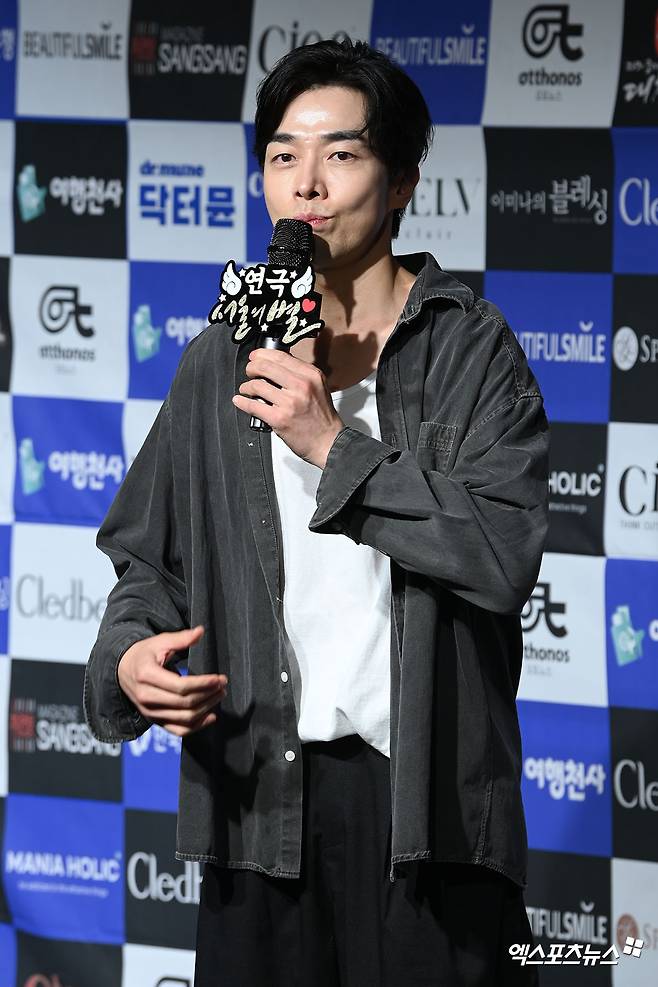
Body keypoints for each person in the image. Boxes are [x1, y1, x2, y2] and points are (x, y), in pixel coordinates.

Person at [84, 38, 548, 987]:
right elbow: (150, 562)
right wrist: (129, 657)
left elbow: (502, 556)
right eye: (283, 155)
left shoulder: (469, 350)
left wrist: (333, 444)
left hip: (422, 816)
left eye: (341, 153)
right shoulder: (222, 357)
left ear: (402, 179)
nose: (307, 183)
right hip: (262, 803)